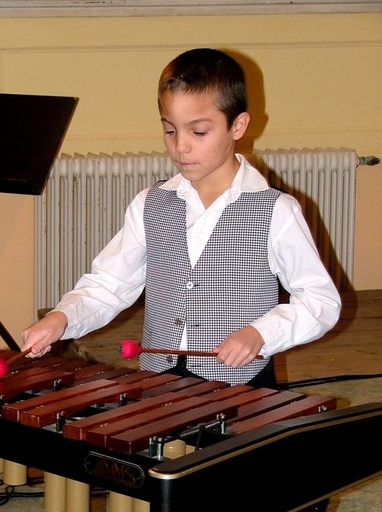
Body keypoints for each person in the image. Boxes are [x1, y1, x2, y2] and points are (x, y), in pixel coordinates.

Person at [22, 48, 341, 388]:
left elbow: (320, 301)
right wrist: (61, 317)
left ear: (238, 125)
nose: (181, 147)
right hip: (158, 380)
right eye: (170, 131)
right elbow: (109, 285)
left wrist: (261, 333)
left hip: (241, 386)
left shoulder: (275, 210)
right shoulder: (150, 204)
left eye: (198, 132)